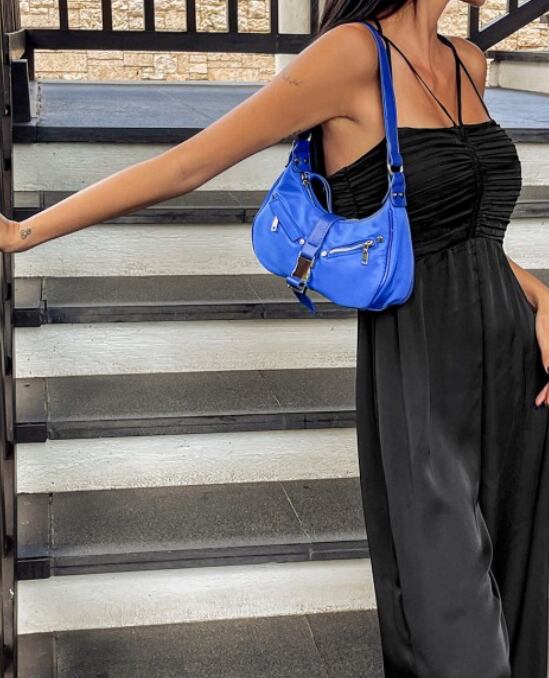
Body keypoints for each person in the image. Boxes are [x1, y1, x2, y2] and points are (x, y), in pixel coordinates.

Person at [1, 0, 548, 676]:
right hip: (422, 373)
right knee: (454, 628)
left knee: (523, 605)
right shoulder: (352, 55)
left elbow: (467, 234)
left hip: (519, 370)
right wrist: (23, 233)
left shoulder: (467, 62)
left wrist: (541, 295)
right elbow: (188, 166)